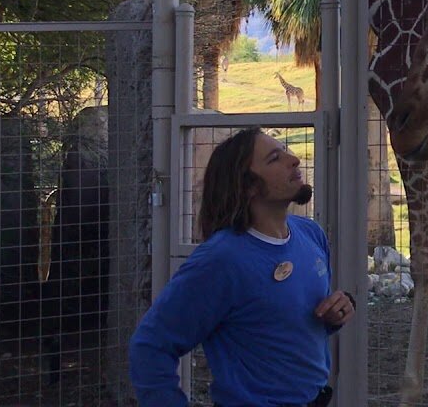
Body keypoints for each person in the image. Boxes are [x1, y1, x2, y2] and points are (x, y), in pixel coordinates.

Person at [129, 127, 354, 406]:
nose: (293, 159)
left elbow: (287, 321)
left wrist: (335, 314)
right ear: (248, 186)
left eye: (285, 150)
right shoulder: (220, 261)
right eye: (275, 158)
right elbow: (150, 346)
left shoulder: (310, 234)